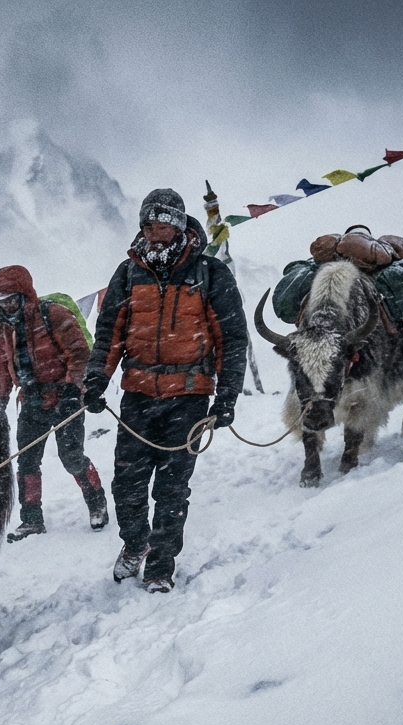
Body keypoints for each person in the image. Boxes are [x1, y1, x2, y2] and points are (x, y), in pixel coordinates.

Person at [83, 189, 248, 593]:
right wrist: (96, 379)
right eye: (149, 226)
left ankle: (160, 564)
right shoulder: (127, 274)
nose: (156, 234)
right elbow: (108, 336)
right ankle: (135, 543)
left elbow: (231, 338)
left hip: (189, 397)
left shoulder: (209, 273)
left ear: (179, 227)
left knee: (172, 489)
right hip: (137, 395)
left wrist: (227, 395)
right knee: (126, 485)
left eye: (164, 225)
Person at [0, 265, 109, 542]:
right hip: (31, 401)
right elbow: (1, 370)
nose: (7, 305)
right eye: (1, 301)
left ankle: (97, 503)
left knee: (72, 457)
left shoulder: (54, 314)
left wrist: (73, 390)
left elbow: (79, 355)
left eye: (11, 299)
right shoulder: (2, 328)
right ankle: (31, 520)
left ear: (25, 294)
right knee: (27, 461)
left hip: (65, 398)